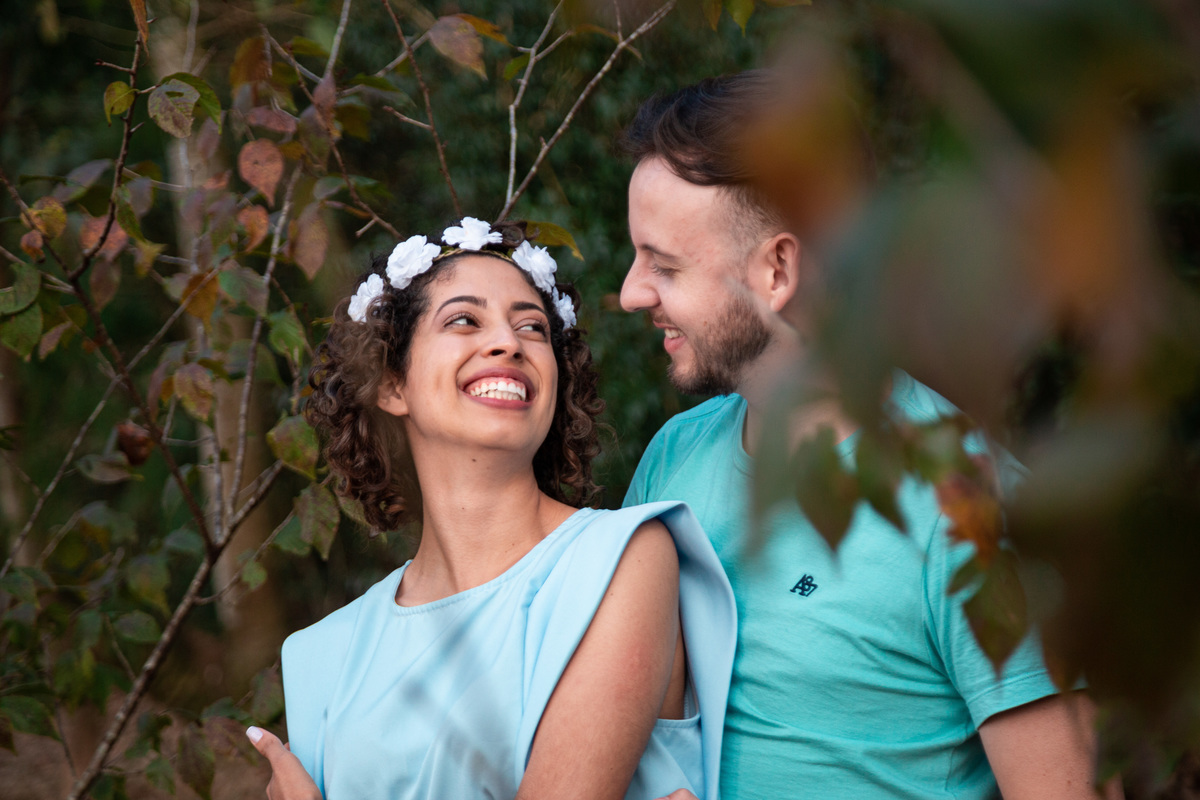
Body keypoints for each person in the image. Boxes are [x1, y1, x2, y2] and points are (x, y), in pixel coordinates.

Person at [619, 73, 1124, 800]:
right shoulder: (673, 456)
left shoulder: (970, 509)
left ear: (778, 270)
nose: (633, 292)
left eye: (664, 265)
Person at [246, 218, 736, 800]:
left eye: (532, 328)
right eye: (463, 319)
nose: (509, 342)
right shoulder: (321, 654)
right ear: (391, 384)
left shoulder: (620, 562)